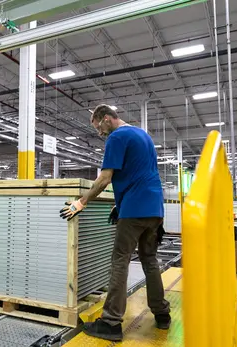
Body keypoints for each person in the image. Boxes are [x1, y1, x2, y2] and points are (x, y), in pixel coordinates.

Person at [59, 104, 171, 342]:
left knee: (120, 260)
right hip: (154, 210)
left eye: (99, 127)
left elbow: (104, 179)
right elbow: (139, 174)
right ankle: (162, 314)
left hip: (134, 210)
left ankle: (110, 322)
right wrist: (119, 205)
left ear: (107, 118)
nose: (100, 133)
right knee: (149, 260)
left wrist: (81, 202)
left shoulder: (117, 137)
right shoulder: (143, 135)